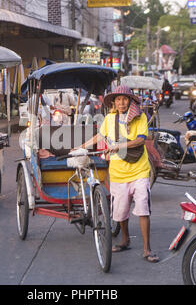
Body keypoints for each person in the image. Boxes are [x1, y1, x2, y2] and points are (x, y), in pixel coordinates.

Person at [76, 85, 159, 263]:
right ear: (114, 102)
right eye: (118, 99)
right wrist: (81, 148)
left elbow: (140, 140)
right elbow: (99, 137)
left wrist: (119, 146)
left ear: (130, 101)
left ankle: (147, 249)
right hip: (118, 172)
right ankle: (125, 239)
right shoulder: (110, 119)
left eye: (125, 99)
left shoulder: (140, 117)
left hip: (140, 170)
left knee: (143, 209)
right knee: (120, 212)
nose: (122, 102)